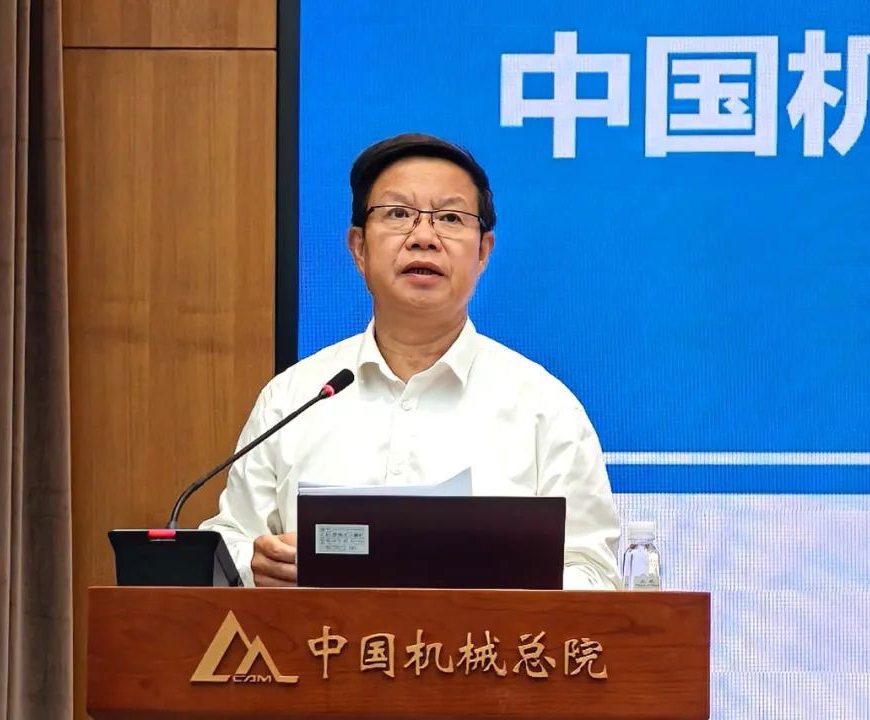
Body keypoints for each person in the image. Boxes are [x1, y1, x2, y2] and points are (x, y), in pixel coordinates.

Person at [200, 133, 622, 589]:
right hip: (316, 637)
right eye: (398, 214)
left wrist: (502, 588)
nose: (423, 238)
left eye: (450, 218)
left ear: (483, 252)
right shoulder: (293, 398)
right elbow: (228, 545)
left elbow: (595, 573)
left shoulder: (544, 409)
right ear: (359, 247)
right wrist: (257, 567)